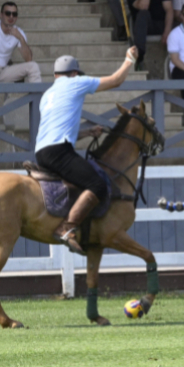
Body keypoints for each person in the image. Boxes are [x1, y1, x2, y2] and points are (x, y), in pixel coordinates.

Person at [35, 48, 137, 254]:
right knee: (97, 185)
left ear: (55, 75)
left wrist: (87, 133)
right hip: (59, 151)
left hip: (41, 152)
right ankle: (67, 227)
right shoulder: (76, 82)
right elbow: (116, 80)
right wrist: (129, 60)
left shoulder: (46, 95)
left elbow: (58, 129)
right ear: (74, 73)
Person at [124, 0, 173, 78]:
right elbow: (143, 6)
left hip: (160, 24)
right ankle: (139, 55)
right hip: (143, 27)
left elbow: (169, 10)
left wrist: (167, 31)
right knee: (143, 14)